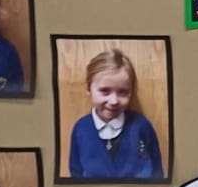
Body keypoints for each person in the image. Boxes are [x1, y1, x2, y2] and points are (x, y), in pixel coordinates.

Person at [67, 48, 163, 180]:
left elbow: (157, 173)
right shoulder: (81, 128)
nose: (114, 101)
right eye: (105, 91)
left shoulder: (141, 126)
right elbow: (75, 173)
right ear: (89, 89)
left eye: (123, 92)